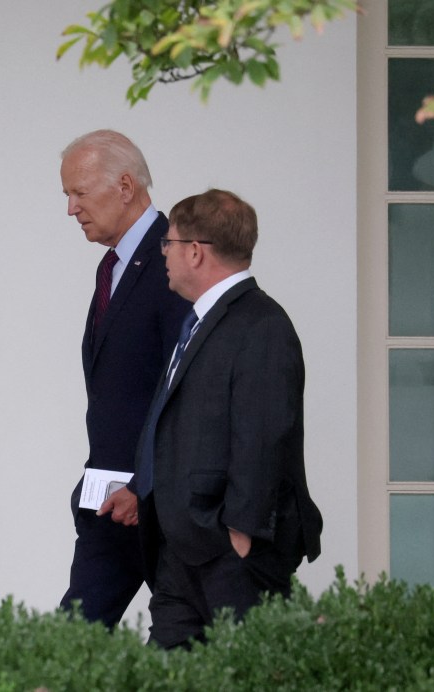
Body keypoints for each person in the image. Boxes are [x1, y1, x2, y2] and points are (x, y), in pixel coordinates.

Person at [134, 188, 323, 649]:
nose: (164, 254)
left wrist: (240, 533)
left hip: (230, 554)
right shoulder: (201, 320)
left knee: (241, 675)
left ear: (195, 252)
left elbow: (263, 434)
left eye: (169, 244)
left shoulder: (262, 325)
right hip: (181, 547)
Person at [59, 130, 192, 628]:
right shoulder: (112, 265)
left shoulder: (172, 260)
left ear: (124, 186)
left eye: (80, 192)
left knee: (187, 645)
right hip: (108, 506)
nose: (72, 208)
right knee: (70, 641)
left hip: (157, 508)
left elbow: (182, 389)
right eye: (67, 195)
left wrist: (145, 484)